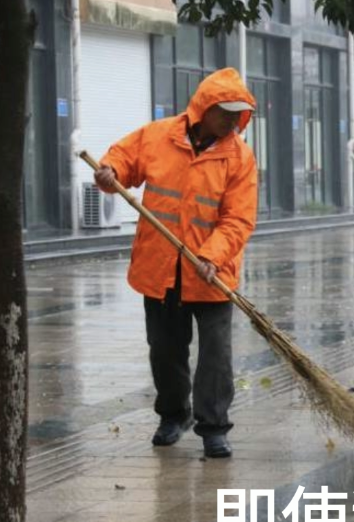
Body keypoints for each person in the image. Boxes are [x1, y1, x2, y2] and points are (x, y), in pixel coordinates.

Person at [95, 68, 257, 457]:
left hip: (212, 273)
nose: (233, 121)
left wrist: (211, 255)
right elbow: (124, 158)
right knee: (165, 351)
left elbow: (238, 219)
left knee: (215, 356)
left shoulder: (239, 157)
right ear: (203, 108)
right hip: (161, 268)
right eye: (225, 113)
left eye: (238, 114)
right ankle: (173, 415)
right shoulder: (159, 136)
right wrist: (110, 171)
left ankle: (213, 426)